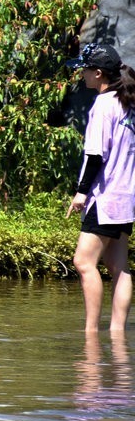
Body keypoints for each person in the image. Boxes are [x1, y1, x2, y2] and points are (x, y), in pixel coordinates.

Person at [65, 42, 135, 333]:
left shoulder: (103, 105)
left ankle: (91, 333)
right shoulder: (128, 102)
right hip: (127, 198)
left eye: (84, 70)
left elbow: (95, 156)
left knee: (83, 262)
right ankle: (117, 333)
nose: (81, 75)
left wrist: (81, 193)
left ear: (98, 73)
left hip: (104, 198)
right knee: (119, 267)